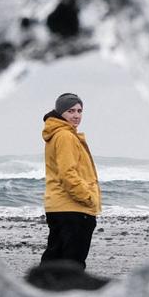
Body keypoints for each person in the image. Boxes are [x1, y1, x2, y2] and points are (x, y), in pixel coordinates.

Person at [39, 92, 101, 268]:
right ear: (60, 113)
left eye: (79, 111)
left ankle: (42, 292)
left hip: (58, 207)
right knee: (72, 265)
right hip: (74, 209)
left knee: (54, 262)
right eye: (70, 111)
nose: (76, 115)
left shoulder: (57, 135)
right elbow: (68, 174)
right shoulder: (65, 136)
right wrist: (88, 198)